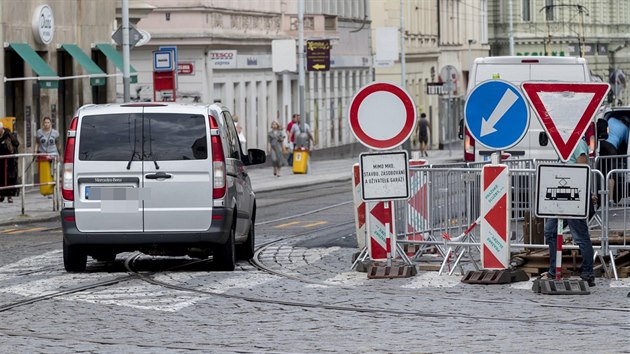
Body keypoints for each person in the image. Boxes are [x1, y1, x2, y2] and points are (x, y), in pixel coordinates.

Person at [541, 138, 595, 287]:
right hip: (563, 197)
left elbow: (583, 167)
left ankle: (588, 273)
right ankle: (554, 270)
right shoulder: (563, 145)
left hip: (574, 198)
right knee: (550, 231)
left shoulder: (577, 143)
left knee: (580, 236)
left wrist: (585, 193)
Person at [599, 115, 630, 205]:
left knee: (601, 171)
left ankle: (600, 197)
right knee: (611, 174)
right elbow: (626, 144)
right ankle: (610, 200)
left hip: (602, 145)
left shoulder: (611, 118)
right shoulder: (626, 129)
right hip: (611, 148)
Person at [0, 122, 19, 203]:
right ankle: (1, 194)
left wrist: (10, 142)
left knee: (9, 177)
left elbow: (16, 143)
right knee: (0, 177)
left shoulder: (8, 134)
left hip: (9, 160)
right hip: (0, 159)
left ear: (1, 129)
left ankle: (9, 195)